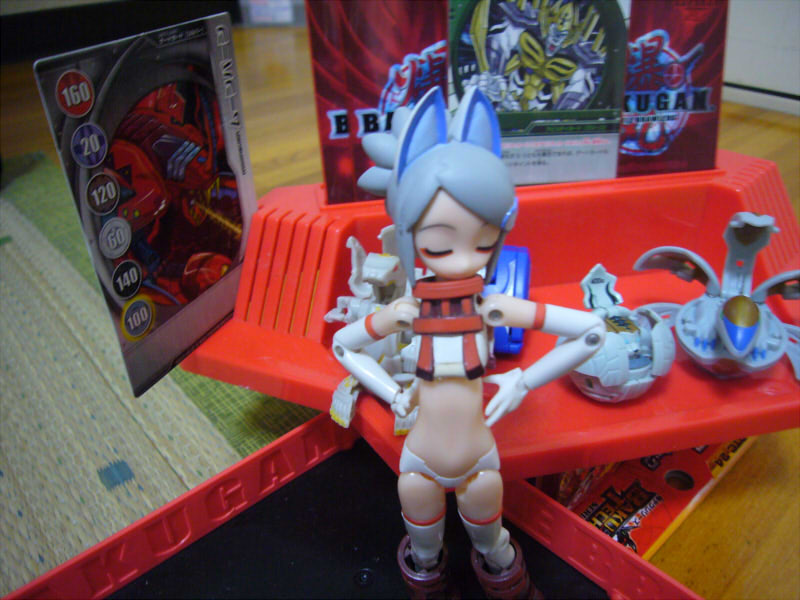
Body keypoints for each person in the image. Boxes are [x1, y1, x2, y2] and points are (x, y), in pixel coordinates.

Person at [332, 86, 604, 598]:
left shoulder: (491, 307)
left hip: (480, 460)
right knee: (424, 553)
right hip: (419, 462)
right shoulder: (409, 311)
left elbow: (592, 331)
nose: (464, 258)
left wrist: (524, 380)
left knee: (495, 548)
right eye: (440, 244)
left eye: (483, 241)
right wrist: (389, 391)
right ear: (411, 236)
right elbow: (343, 346)